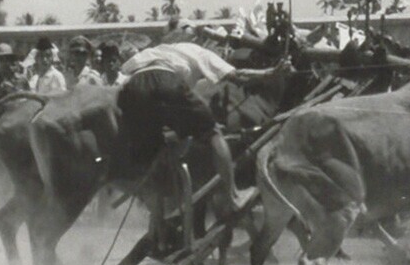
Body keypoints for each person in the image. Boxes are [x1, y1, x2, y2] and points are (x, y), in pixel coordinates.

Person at [118, 39, 285, 221]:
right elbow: (237, 75)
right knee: (213, 132)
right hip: (165, 80)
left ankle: (156, 220)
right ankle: (234, 197)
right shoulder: (198, 52)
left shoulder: (156, 51)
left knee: (152, 152)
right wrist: (271, 73)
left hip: (132, 87)